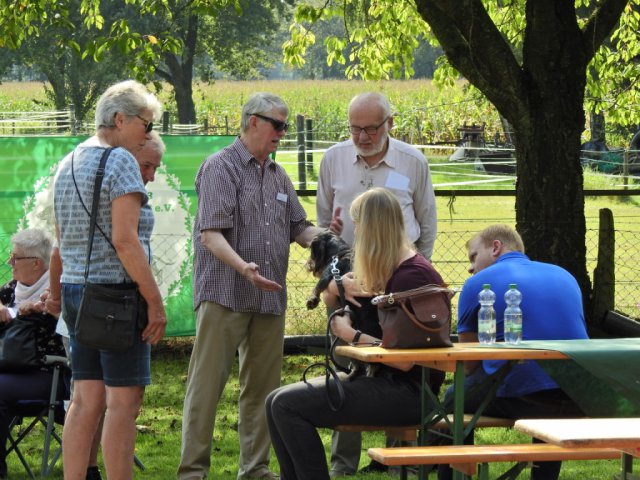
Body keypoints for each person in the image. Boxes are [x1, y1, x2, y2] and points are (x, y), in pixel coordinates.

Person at [177, 92, 326, 480]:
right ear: (253, 122)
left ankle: (255, 470)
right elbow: (210, 234)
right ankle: (192, 471)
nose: (283, 132)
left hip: (269, 297)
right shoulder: (220, 168)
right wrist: (244, 268)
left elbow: (299, 226)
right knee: (206, 388)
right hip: (225, 293)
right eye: (278, 124)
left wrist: (326, 239)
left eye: (285, 126)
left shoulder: (278, 174)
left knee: (263, 390)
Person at [265, 187, 447, 480]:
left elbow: (404, 361)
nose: (356, 232)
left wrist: (351, 334)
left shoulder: (412, 275)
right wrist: (348, 310)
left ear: (372, 227)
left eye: (359, 224)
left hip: (409, 393)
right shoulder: (396, 269)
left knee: (286, 405)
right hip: (385, 382)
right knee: (274, 400)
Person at [48, 79, 167, 480]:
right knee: (124, 402)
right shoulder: (118, 160)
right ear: (120, 119)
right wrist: (154, 301)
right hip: (116, 297)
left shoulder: (69, 159)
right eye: (146, 125)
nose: (147, 134)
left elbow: (62, 242)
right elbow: (125, 241)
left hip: (76, 294)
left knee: (84, 399)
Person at [316, 91, 437, 475]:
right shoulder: (333, 158)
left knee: (398, 365)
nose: (363, 136)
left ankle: (398, 460)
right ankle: (343, 463)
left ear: (390, 124)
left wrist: (412, 277)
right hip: (349, 279)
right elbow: (323, 226)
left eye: (370, 128)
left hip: (399, 279)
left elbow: (426, 223)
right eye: (355, 128)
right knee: (346, 362)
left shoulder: (411, 161)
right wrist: (334, 263)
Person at [436, 224, 589, 480]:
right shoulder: (564, 275)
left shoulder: (478, 285)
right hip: (579, 397)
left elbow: (470, 364)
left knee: (455, 395)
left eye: (474, 256)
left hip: (526, 399)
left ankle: (446, 473)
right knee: (544, 388)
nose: (470, 267)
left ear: (496, 247)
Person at [0, 228, 65, 480]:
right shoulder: (9, 290)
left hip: (49, 374)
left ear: (36, 263)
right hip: (9, 371)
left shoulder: (56, 292)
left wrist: (42, 312)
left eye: (15, 257)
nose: (10, 262)